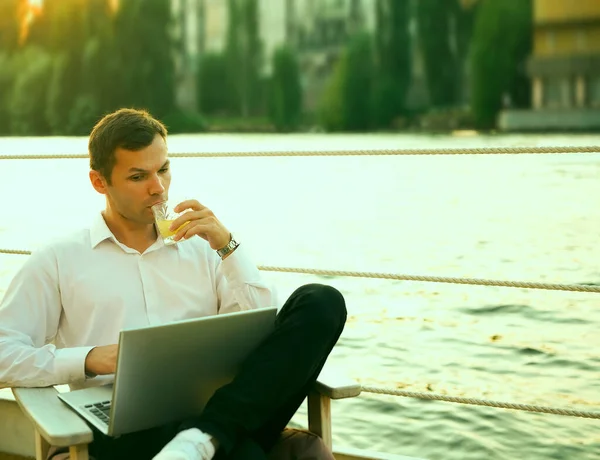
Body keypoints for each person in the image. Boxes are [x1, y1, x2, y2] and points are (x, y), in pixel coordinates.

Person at [0, 108, 347, 460]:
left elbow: (263, 339)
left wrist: (228, 247)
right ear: (99, 182)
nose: (159, 188)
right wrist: (90, 359)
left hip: (220, 406)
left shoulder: (206, 246)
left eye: (163, 169)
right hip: (127, 427)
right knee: (244, 454)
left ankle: (203, 436)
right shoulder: (60, 259)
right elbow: (2, 352)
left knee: (322, 301)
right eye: (138, 177)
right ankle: (207, 438)